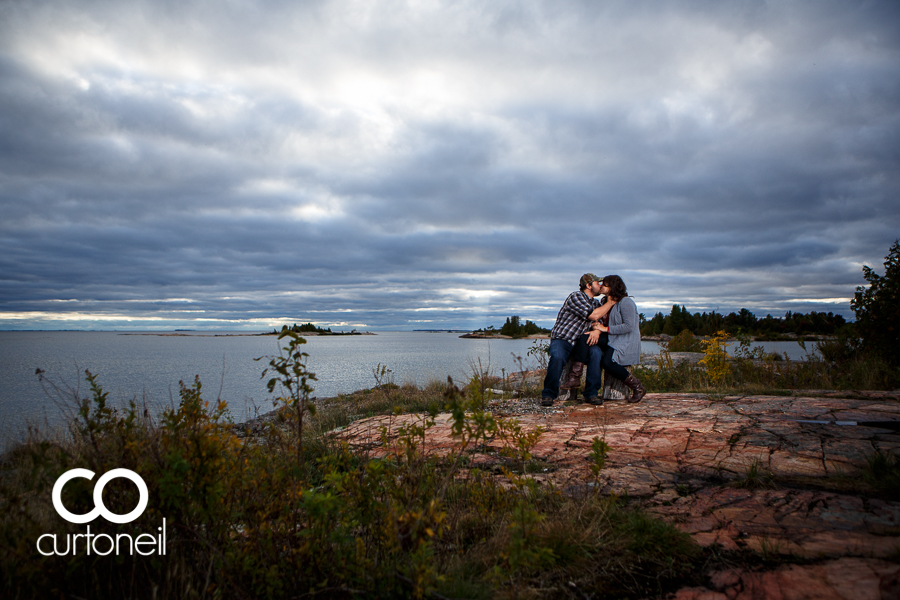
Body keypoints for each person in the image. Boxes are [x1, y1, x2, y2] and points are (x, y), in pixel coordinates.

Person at [540, 274, 617, 406]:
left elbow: (597, 322)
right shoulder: (576, 297)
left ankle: (591, 394)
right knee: (557, 357)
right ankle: (548, 394)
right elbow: (593, 316)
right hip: (564, 339)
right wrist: (611, 302)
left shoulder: (596, 303)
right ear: (588, 285)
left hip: (581, 343)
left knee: (596, 354)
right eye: (597, 282)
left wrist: (597, 331)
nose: (600, 285)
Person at [589, 275, 646, 404]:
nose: (602, 286)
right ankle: (581, 381)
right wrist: (596, 328)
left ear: (613, 287)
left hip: (624, 340)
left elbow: (629, 326)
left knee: (608, 362)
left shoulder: (626, 302)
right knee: (586, 340)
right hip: (612, 339)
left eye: (605, 284)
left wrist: (605, 329)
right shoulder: (606, 302)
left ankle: (637, 387)